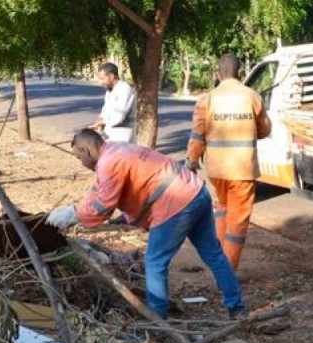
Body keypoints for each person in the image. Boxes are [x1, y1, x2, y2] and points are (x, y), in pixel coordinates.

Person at [45, 129, 245, 319]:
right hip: (196, 192)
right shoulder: (117, 148)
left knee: (155, 261)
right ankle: (236, 308)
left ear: (85, 150)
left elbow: (103, 207)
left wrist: (74, 215)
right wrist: (78, 209)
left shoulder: (108, 163)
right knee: (213, 253)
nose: (81, 162)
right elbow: (100, 189)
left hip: (176, 203)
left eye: (79, 158)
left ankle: (157, 318)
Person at [186, 52, 271, 270]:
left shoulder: (207, 99)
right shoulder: (252, 96)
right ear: (239, 73)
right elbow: (264, 130)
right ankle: (227, 272)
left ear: (217, 73)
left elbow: (197, 136)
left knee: (222, 210)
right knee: (237, 224)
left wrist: (191, 162)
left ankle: (217, 262)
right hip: (242, 170)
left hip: (216, 171)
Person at [92, 62, 136, 143]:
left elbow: (119, 117)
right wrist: (100, 119)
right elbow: (105, 109)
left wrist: (103, 121)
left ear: (111, 76)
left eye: (102, 78)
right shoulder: (110, 90)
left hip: (122, 136)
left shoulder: (124, 89)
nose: (101, 82)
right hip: (110, 135)